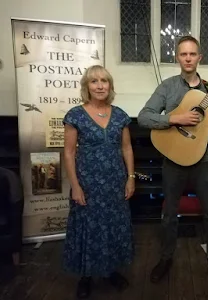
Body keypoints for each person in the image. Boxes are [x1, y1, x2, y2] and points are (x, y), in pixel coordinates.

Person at [137, 35, 208, 283]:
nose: (188, 58)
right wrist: (175, 119)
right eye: (183, 54)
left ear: (200, 57)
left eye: (193, 54)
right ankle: (166, 257)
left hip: (203, 160)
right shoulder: (168, 87)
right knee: (170, 213)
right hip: (173, 158)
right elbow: (144, 117)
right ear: (177, 57)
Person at [63, 65, 135, 299]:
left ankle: (110, 271)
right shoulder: (75, 115)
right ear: (87, 87)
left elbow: (126, 147)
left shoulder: (120, 115)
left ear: (110, 86)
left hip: (115, 182)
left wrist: (130, 178)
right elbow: (69, 152)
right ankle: (86, 276)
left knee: (113, 226)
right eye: (94, 81)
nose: (100, 85)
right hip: (88, 183)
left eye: (104, 81)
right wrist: (75, 185)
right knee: (88, 228)